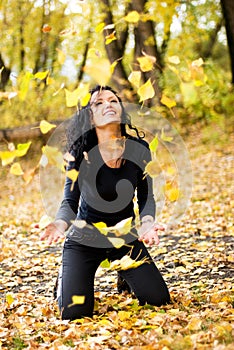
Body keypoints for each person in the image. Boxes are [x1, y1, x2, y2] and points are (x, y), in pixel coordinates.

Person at [41, 85, 170, 320]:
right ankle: (64, 279)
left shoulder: (140, 150)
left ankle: (123, 274)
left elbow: (146, 196)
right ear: (90, 116)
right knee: (74, 312)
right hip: (85, 239)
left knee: (157, 299)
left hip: (124, 239)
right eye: (98, 103)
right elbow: (70, 200)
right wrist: (60, 224)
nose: (107, 105)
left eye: (113, 100)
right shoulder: (79, 153)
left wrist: (148, 222)